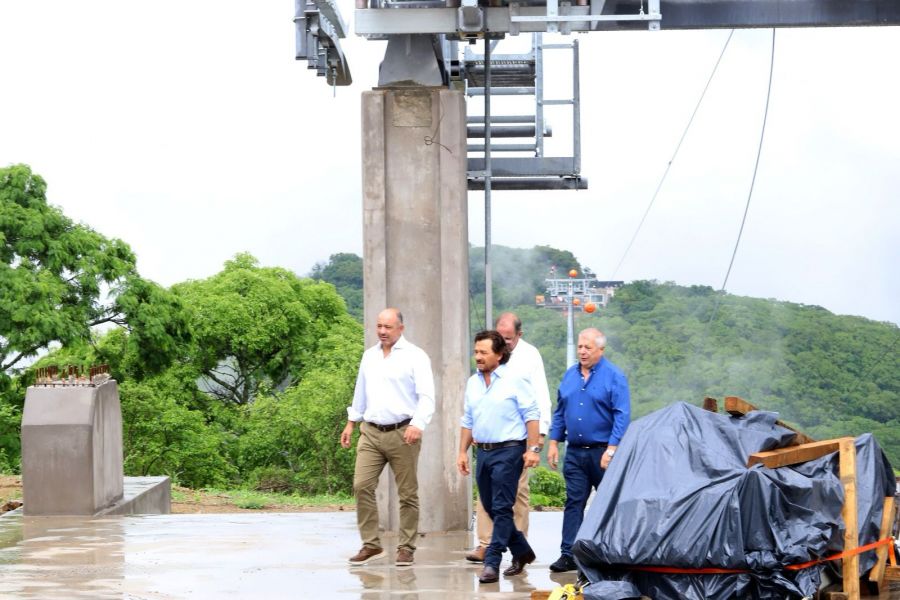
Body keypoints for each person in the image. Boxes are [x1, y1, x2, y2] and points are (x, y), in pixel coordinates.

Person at [340, 308, 435, 567]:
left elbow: (427, 396)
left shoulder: (415, 356)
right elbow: (360, 392)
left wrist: (418, 424)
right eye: (379, 326)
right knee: (362, 485)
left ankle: (406, 547)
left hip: (402, 432)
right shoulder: (370, 356)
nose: (382, 331)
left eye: (388, 327)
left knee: (407, 493)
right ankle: (371, 544)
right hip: (370, 431)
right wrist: (351, 423)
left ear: (400, 329)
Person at [457, 330, 542, 584]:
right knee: (493, 508)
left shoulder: (515, 379)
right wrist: (462, 451)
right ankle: (523, 551)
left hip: (510, 450)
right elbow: (468, 420)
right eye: (476, 352)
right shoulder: (473, 383)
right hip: (483, 452)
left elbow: (532, 414)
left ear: (500, 354)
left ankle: (492, 561)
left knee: (503, 507)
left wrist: (533, 448)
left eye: (484, 352)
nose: (478, 357)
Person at [547, 327, 630, 573]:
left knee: (608, 503)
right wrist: (553, 442)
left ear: (600, 350)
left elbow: (622, 415)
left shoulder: (614, 376)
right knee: (574, 501)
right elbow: (561, 411)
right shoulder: (569, 375)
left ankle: (610, 553)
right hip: (575, 452)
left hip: (603, 451)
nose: (582, 351)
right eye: (580, 347)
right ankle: (568, 553)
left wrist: (612, 448)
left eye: (587, 347)